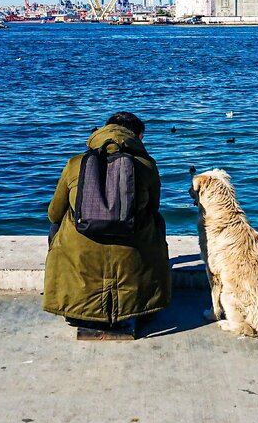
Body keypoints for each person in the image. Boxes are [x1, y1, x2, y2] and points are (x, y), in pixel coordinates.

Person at [43, 111, 171, 330]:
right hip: (133, 257)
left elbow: (54, 214)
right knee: (156, 221)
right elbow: (153, 208)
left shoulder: (75, 163)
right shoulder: (147, 165)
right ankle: (144, 300)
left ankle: (73, 301)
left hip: (82, 257)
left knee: (57, 227)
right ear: (137, 137)